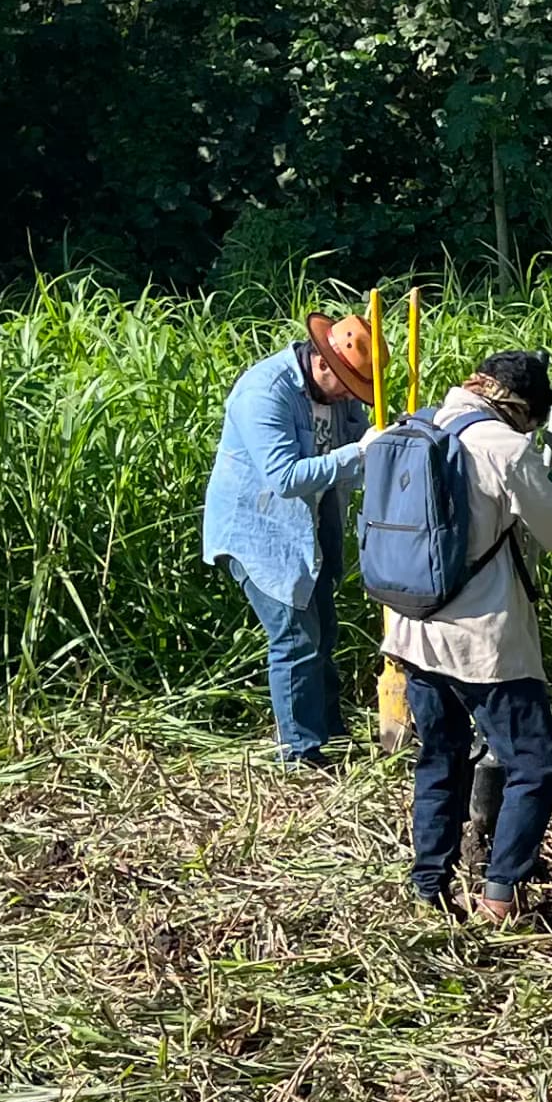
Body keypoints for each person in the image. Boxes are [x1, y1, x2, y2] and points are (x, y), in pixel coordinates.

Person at [379, 348, 552, 922]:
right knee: (538, 763)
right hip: (482, 643)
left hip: (412, 629)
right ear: (522, 408)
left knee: (441, 756)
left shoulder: (414, 425)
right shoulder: (506, 446)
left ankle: (429, 886)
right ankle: (501, 894)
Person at [203, 312, 379, 766]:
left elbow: (364, 442)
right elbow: (283, 477)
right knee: (296, 638)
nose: (348, 398)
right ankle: (299, 754)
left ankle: (332, 736)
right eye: (346, 386)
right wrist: (359, 453)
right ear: (323, 363)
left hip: (312, 525)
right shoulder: (265, 391)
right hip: (260, 530)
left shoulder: (340, 396)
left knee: (324, 632)